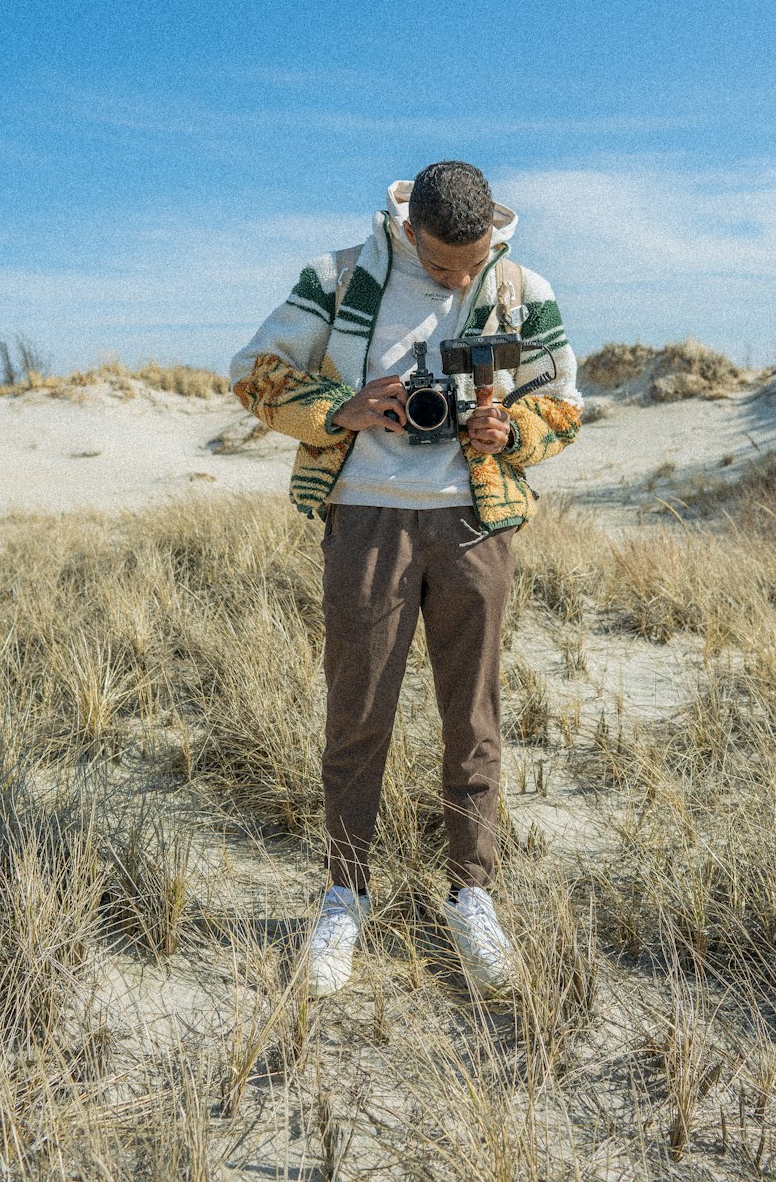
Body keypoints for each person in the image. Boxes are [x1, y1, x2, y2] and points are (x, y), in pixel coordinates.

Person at [229, 161, 582, 996]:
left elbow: (566, 402)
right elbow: (253, 371)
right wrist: (340, 409)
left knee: (474, 715)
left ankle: (472, 894)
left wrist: (513, 429)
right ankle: (344, 894)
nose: (460, 278)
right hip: (366, 519)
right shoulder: (340, 277)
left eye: (473, 262)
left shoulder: (523, 288)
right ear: (409, 229)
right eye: (443, 264)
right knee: (357, 713)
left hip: (475, 520)